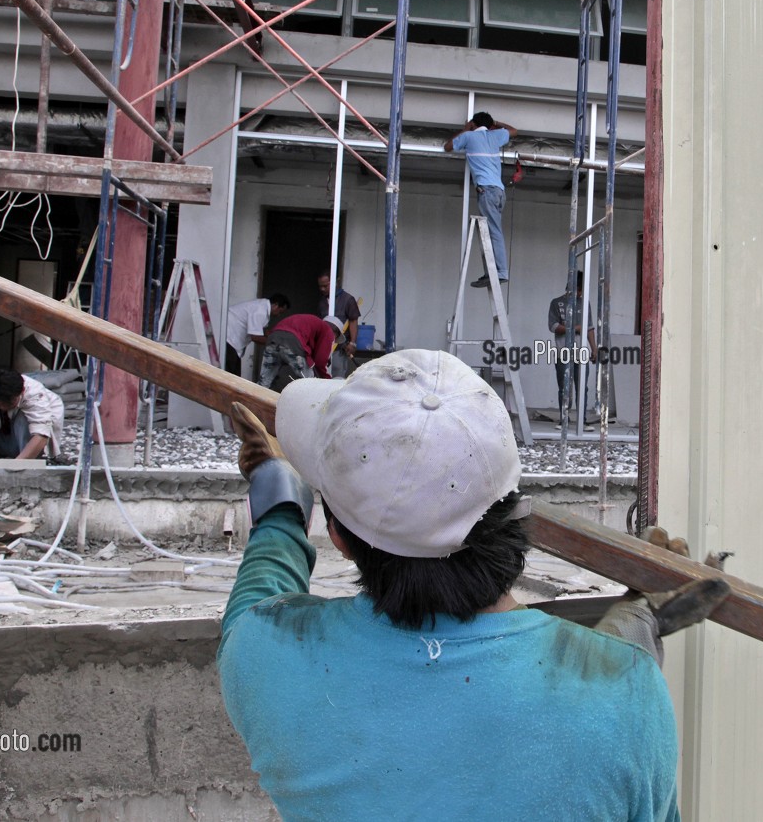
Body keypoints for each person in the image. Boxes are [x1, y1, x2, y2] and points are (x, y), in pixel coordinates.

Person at [219, 349, 727, 821]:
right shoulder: (630, 694)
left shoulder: (264, 655)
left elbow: (266, 575)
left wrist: (277, 483)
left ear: (339, 539)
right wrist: (633, 630)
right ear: (511, 509)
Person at [445, 112, 517, 288]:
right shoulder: (496, 135)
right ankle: (491, 272)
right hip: (499, 192)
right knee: (489, 232)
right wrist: (495, 123)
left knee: (493, 232)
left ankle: (500, 272)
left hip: (487, 191)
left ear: (473, 124)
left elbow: (447, 146)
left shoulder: (469, 136)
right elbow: (514, 130)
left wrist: (464, 129)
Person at [0, 368, 65, 460]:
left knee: (25, 417)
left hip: (29, 446)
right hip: (2, 439)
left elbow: (41, 435)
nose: (4, 407)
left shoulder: (36, 394)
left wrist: (16, 467)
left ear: (22, 391)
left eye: (9, 403)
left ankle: (23, 458)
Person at [547, 271, 597, 418]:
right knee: (564, 388)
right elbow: (553, 326)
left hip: (581, 353)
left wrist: (594, 349)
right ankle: (564, 419)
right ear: (573, 287)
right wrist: (576, 328)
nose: (581, 293)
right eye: (580, 290)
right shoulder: (556, 303)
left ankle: (582, 419)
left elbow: (589, 328)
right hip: (563, 352)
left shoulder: (585, 303)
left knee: (582, 388)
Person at [256, 313, 342, 392]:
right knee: (309, 383)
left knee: (264, 382)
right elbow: (321, 361)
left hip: (273, 338)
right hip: (292, 342)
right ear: (335, 332)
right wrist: (327, 382)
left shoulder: (310, 322)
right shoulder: (328, 331)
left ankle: (254, 403)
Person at [224, 294, 290, 379]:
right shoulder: (260, 311)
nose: (278, 315)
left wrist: (276, 337)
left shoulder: (262, 307)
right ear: (275, 305)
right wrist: (276, 343)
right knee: (231, 376)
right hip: (229, 338)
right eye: (280, 312)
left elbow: (263, 330)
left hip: (232, 340)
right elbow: (255, 337)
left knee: (235, 376)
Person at [316, 270, 360, 377]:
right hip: (324, 347)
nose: (322, 289)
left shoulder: (348, 299)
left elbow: (353, 321)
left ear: (336, 282)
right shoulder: (322, 302)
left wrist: (352, 343)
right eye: (320, 286)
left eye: (325, 286)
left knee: (337, 376)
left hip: (340, 347)